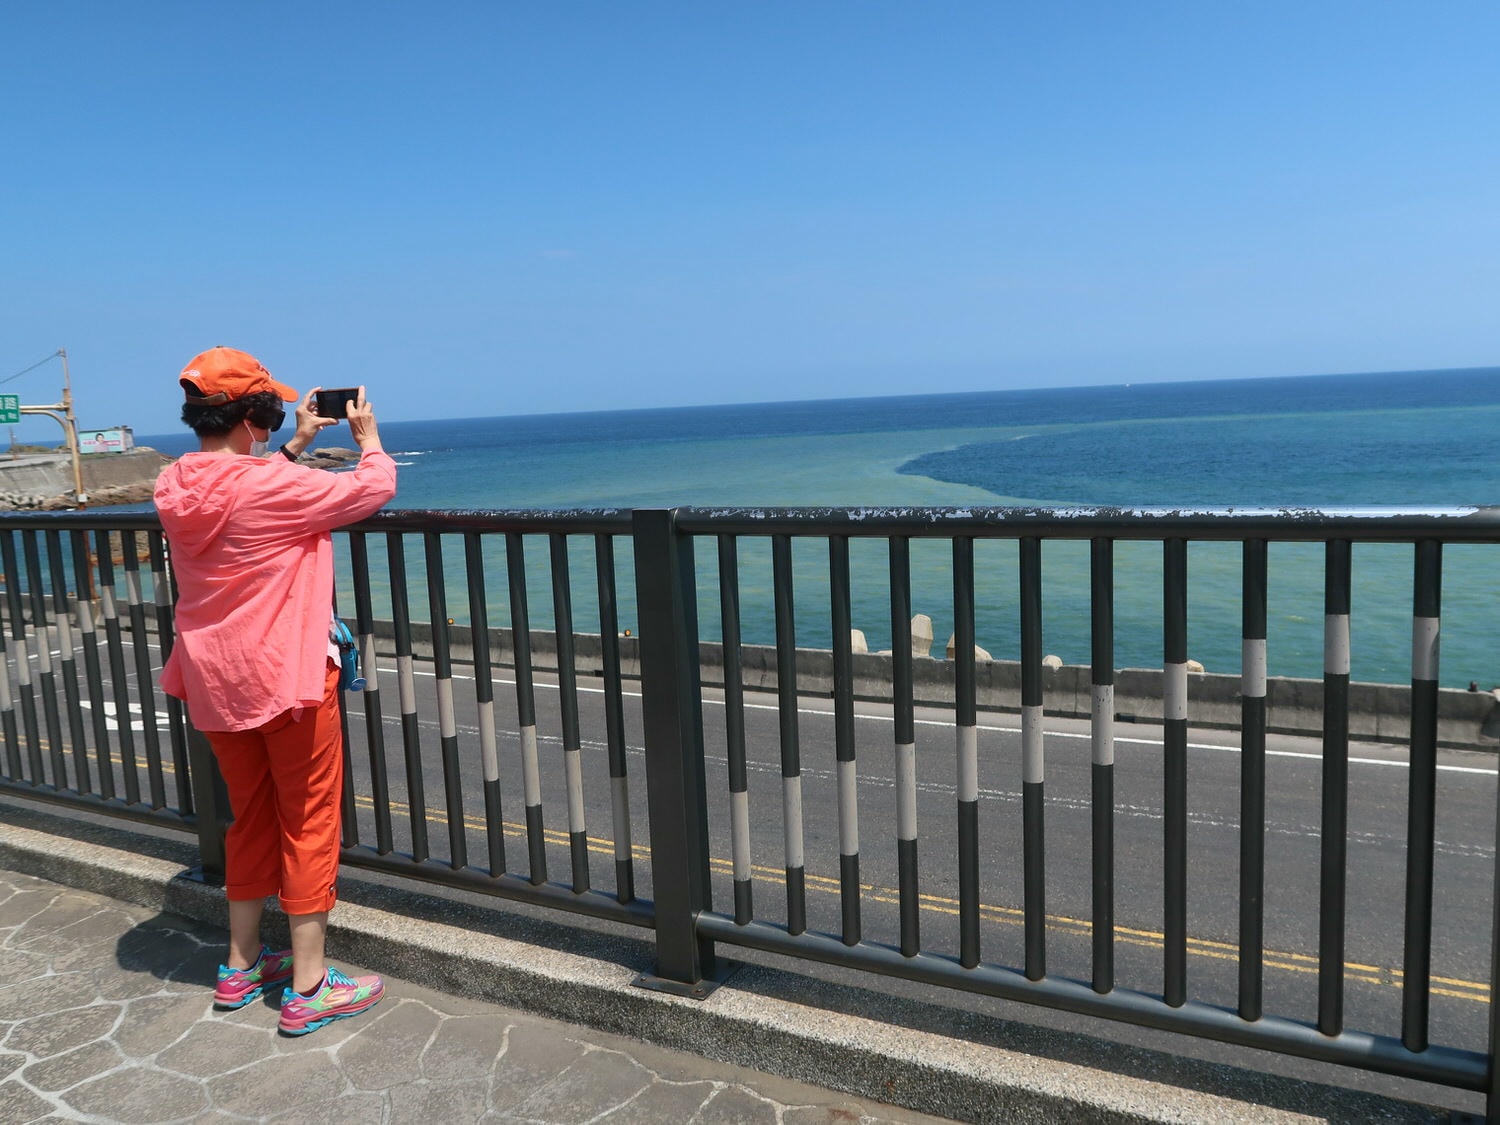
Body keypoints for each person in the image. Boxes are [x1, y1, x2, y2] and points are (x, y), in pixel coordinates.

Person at [154, 346, 397, 1035]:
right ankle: (311, 983)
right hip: (286, 676)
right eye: (270, 411)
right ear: (254, 416)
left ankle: (238, 966)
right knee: (308, 816)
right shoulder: (268, 487)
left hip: (214, 677)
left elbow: (241, 490)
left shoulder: (174, 485)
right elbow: (371, 489)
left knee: (251, 815)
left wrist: (292, 445)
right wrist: (368, 440)